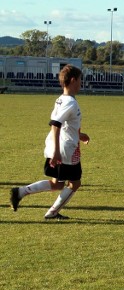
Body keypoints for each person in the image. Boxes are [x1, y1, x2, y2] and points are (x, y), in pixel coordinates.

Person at [10, 65, 90, 220]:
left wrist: (80, 135)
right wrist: (56, 152)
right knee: (75, 183)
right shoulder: (70, 103)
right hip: (66, 150)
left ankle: (20, 192)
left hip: (59, 146)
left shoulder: (61, 99)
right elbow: (55, 124)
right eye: (80, 80)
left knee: (57, 184)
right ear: (73, 80)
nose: (81, 83)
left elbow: (65, 125)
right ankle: (52, 213)